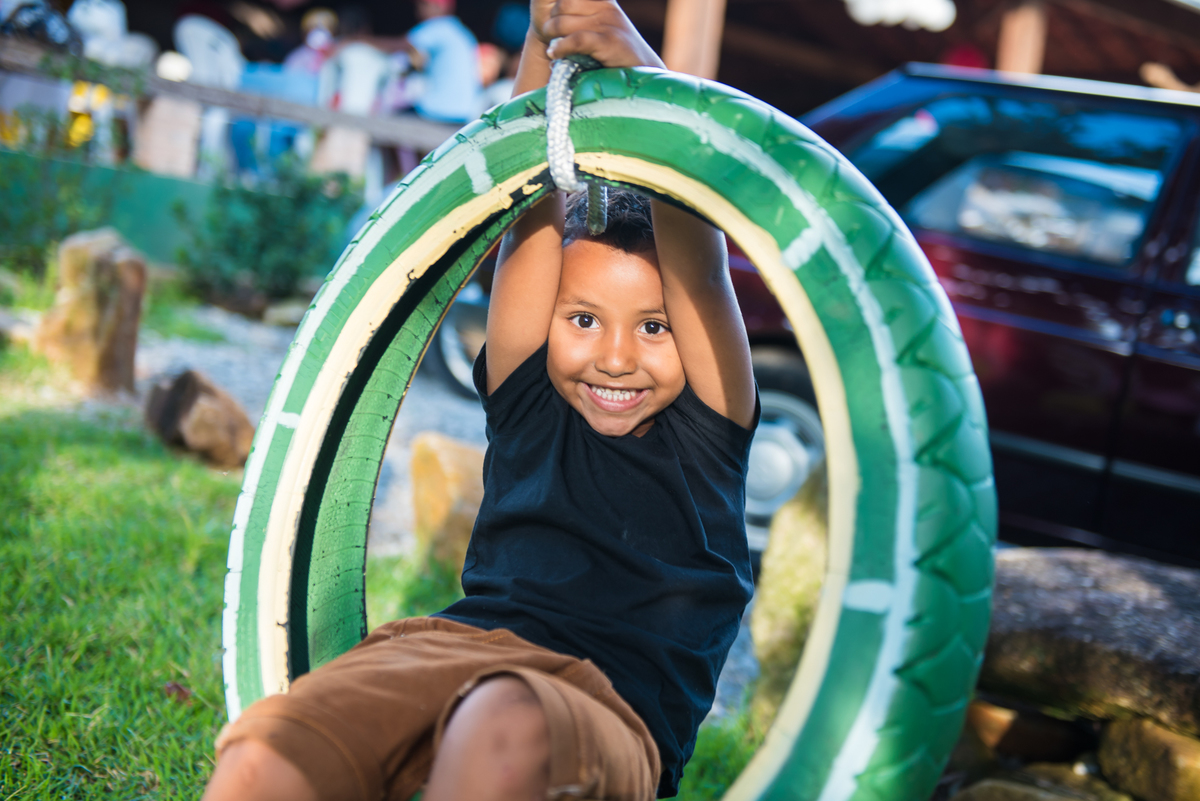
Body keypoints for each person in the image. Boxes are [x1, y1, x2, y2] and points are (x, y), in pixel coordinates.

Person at [201, 2, 758, 799]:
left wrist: (639, 69)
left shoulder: (708, 429)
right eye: (583, 318)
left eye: (654, 327)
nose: (614, 355)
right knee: (270, 747)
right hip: (451, 645)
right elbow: (521, 198)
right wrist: (546, 35)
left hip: (609, 704)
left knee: (499, 722)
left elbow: (699, 266)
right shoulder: (531, 394)